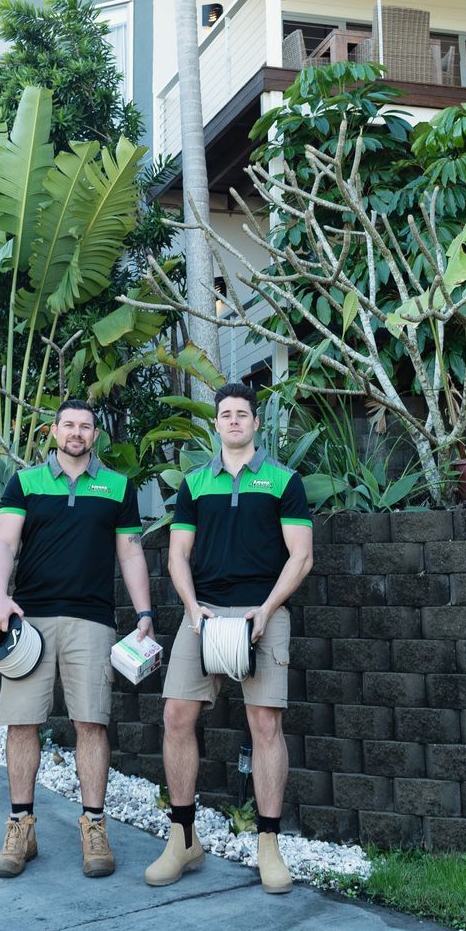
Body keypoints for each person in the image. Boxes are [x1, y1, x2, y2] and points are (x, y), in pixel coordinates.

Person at [144, 383, 314, 895]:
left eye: (243, 414)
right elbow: (177, 556)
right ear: (215, 424)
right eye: (225, 414)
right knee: (176, 715)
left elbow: (300, 556)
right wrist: (193, 610)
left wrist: (267, 610)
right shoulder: (194, 484)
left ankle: (268, 845)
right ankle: (182, 838)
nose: (234, 421)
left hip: (264, 613)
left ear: (256, 423)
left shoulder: (284, 480)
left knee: (265, 725)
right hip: (205, 615)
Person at [0, 399, 155, 881]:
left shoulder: (118, 487)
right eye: (68, 425)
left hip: (92, 621)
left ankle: (94, 827)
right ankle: (20, 826)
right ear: (54, 431)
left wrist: (143, 613)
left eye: (85, 426)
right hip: (29, 620)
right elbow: (4, 544)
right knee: (21, 724)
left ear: (95, 435)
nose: (76, 433)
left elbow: (130, 553)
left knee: (91, 723)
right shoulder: (25, 482)